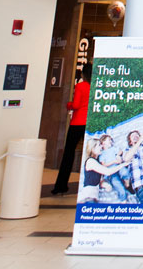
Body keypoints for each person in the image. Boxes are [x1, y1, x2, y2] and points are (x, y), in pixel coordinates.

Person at [52, 63, 92, 195]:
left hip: (77, 123)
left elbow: (75, 104)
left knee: (69, 154)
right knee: (90, 154)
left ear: (82, 74)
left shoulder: (80, 86)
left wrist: (68, 105)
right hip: (88, 123)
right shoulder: (94, 87)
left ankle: (61, 185)